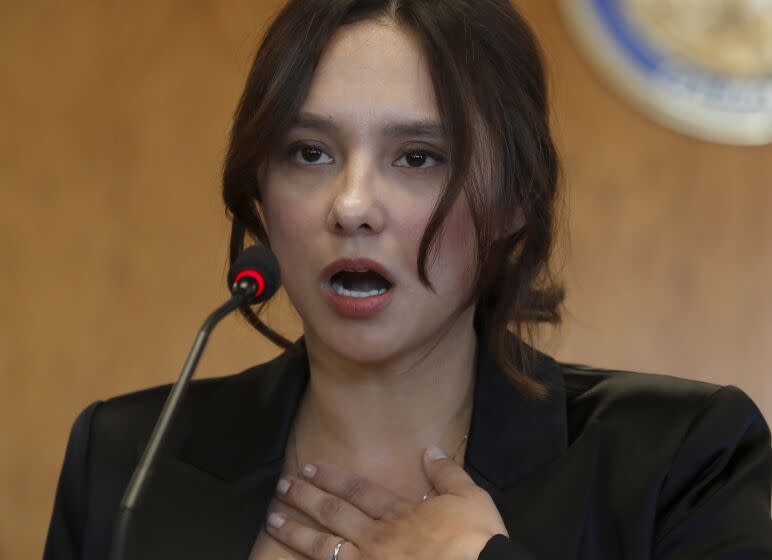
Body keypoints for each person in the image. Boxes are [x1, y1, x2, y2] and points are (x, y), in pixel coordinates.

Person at [44, 1, 772, 559]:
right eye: (309, 152)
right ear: (260, 194)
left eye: (418, 157)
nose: (353, 206)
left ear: (515, 200)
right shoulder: (127, 462)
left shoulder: (680, 461)